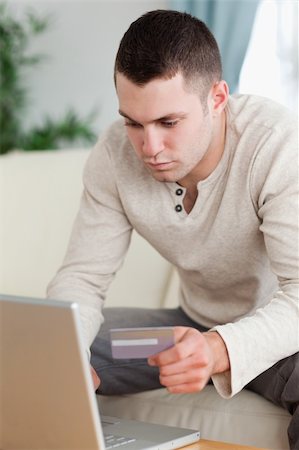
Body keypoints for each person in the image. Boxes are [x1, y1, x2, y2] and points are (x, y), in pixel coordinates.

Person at [47, 9, 299, 449]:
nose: (150, 148)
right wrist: (65, 355)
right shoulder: (113, 156)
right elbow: (82, 278)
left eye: (168, 123)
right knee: (28, 349)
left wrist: (219, 349)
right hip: (181, 334)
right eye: (133, 123)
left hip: (276, 337)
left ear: (217, 99)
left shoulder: (275, 145)